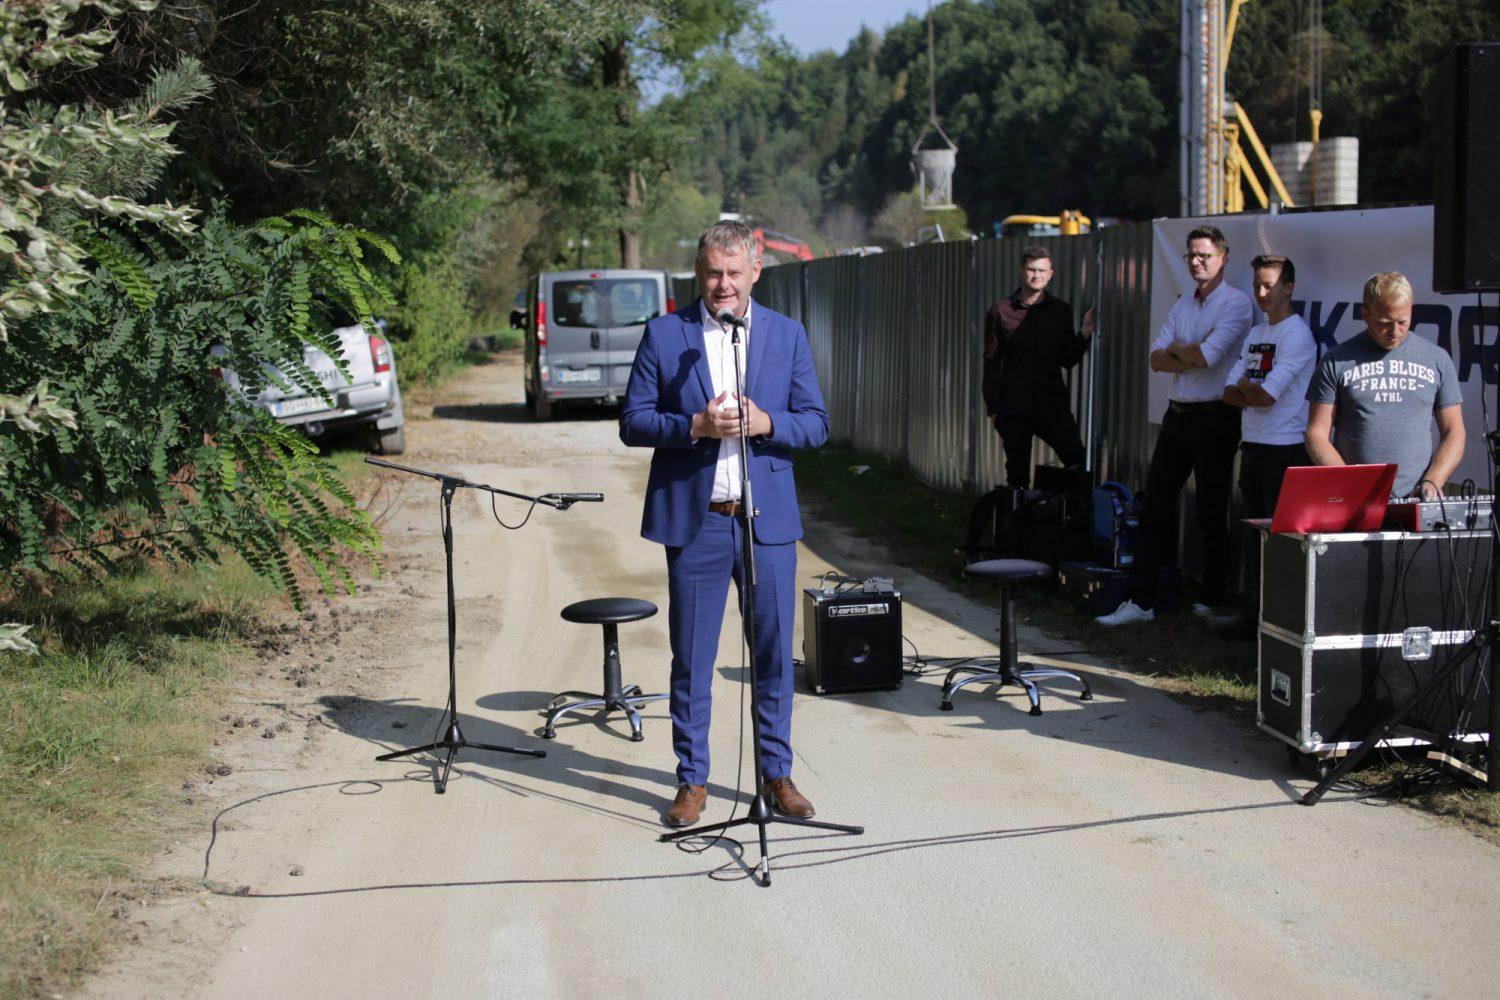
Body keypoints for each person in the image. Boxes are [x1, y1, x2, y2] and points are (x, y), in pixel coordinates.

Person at [619, 220, 829, 829]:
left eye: (735, 273)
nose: (724, 285)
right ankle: (692, 779)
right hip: (699, 525)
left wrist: (768, 423)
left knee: (773, 656)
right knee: (692, 658)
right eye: (713, 273)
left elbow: (816, 423)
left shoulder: (786, 335)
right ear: (698, 272)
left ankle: (777, 774)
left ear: (756, 272)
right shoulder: (665, 334)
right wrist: (695, 426)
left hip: (767, 525)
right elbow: (633, 421)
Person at [1097, 225, 1255, 626]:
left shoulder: (1236, 304)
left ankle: (1210, 600)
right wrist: (1186, 354)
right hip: (1177, 415)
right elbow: (1155, 359)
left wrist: (1179, 352)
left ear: (1223, 258)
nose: (1197, 262)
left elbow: (1207, 357)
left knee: (1211, 510)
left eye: (1204, 255)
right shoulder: (1184, 303)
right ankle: (1140, 602)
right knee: (1154, 506)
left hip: (1215, 417)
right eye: (1191, 256)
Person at [1305, 271, 1464, 499]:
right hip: (1354, 500)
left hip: (1416, 498)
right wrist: (1348, 485)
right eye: (1384, 323)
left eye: (1403, 322)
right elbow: (1316, 434)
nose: (1394, 332)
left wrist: (1432, 481)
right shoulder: (1336, 360)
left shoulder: (1437, 359)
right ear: (1365, 314)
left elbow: (1454, 431)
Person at [982, 245, 1096, 488]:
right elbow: (991, 364)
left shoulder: (1060, 310)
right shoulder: (1000, 312)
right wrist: (994, 410)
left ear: (1050, 274)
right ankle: (1018, 514)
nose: (1036, 275)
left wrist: (1084, 333)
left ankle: (1064, 512)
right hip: (1014, 409)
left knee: (1077, 461)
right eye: (1032, 269)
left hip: (1051, 405)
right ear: (1021, 271)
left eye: (1042, 271)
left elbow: (1067, 359)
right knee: (1017, 478)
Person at [1223, 254, 1318, 520]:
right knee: (1254, 536)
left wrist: (1245, 384)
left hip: (1285, 449)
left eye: (1269, 286)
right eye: (1256, 286)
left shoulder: (1297, 334)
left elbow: (1266, 397)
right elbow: (1228, 394)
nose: (1261, 293)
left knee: (1281, 537)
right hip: (1252, 446)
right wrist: (1249, 390)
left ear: (1288, 287)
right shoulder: (1256, 333)